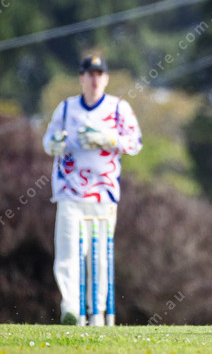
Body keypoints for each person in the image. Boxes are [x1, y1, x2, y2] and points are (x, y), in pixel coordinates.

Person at [43, 56, 142, 326]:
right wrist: (54, 143)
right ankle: (71, 309)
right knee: (69, 253)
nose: (95, 79)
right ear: (81, 78)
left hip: (104, 194)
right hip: (69, 192)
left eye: (99, 74)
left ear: (106, 78)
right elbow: (48, 140)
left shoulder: (119, 108)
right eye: (90, 74)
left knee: (98, 257)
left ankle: (97, 312)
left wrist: (109, 138)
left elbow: (135, 143)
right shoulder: (66, 108)